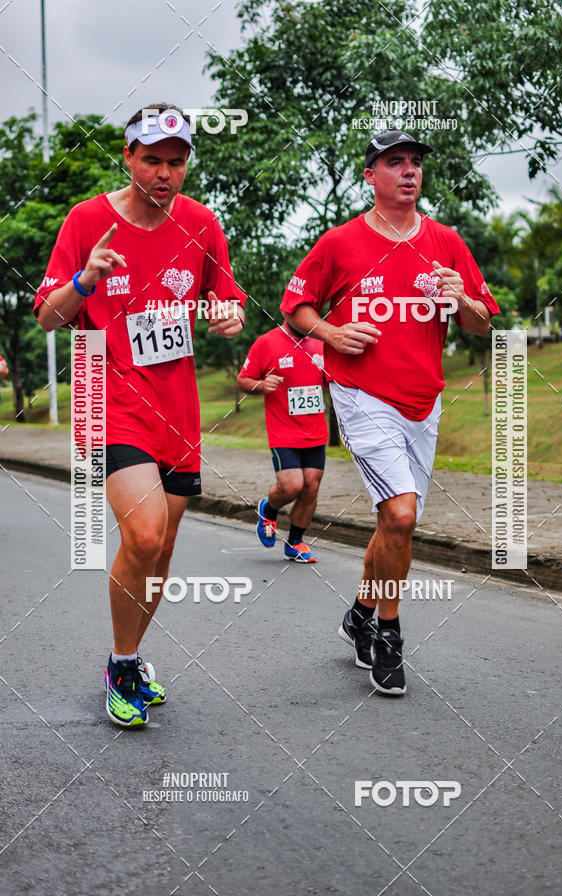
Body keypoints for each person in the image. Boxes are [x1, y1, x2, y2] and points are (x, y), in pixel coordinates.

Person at [34, 103, 245, 727]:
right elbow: (49, 315)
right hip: (107, 393)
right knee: (145, 532)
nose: (164, 173)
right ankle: (123, 663)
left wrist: (229, 316)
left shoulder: (203, 224)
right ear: (128, 157)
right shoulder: (87, 221)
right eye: (151, 159)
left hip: (175, 405)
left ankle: (127, 659)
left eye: (176, 162)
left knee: (163, 548)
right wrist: (85, 279)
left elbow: (222, 296)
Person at [281, 130, 499, 695]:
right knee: (400, 515)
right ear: (370, 176)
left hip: (423, 402)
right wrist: (330, 330)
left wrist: (465, 299)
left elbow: (481, 323)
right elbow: (295, 307)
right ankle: (388, 633)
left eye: (415, 163)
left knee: (393, 522)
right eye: (394, 162)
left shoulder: (447, 242)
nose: (408, 171)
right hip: (362, 396)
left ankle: (358, 610)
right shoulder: (340, 242)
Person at [237, 320, 327, 563]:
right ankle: (268, 509)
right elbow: (243, 380)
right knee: (291, 486)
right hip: (283, 432)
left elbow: (330, 380)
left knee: (311, 487)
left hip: (316, 431)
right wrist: (262, 385)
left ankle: (295, 544)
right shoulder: (266, 342)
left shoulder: (322, 342)